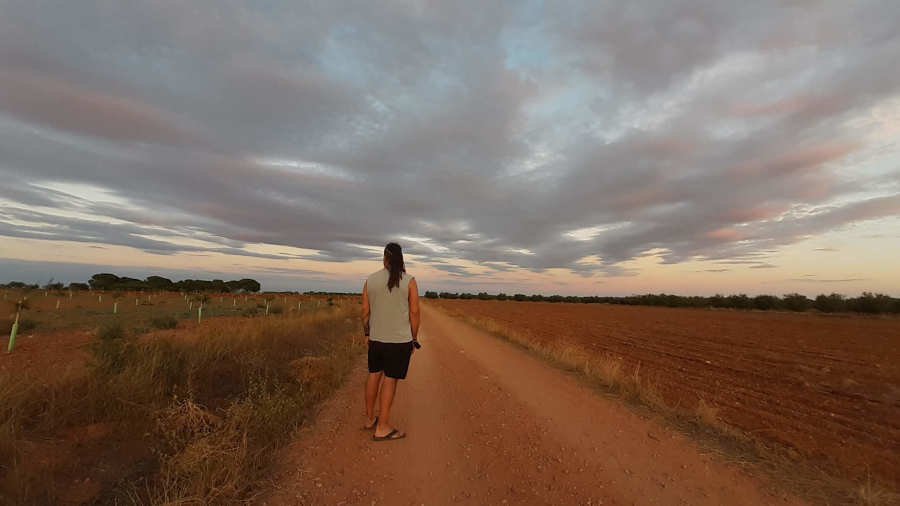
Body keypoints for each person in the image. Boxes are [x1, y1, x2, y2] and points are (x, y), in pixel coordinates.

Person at [361, 242, 420, 441]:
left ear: (384, 257)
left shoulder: (370, 280)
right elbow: (414, 312)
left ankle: (370, 419)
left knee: (374, 375)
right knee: (390, 380)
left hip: (376, 339)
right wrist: (414, 338)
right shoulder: (409, 281)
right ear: (401, 258)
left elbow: (365, 312)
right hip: (399, 341)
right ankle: (383, 427)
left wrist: (367, 334)